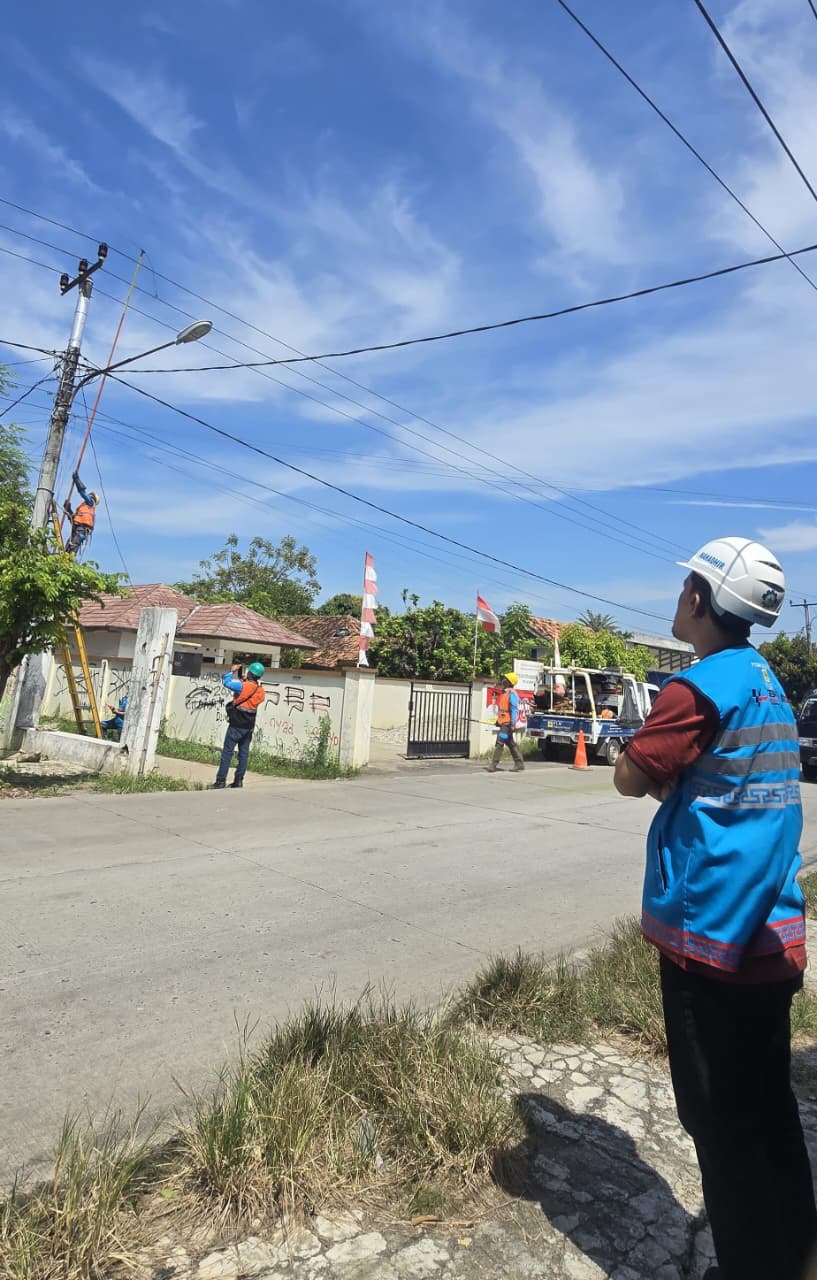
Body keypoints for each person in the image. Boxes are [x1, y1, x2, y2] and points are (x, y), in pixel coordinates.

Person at [613, 537, 816, 1280]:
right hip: (770, 931)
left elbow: (629, 777)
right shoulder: (765, 680)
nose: (676, 601)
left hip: (710, 943)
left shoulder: (694, 688)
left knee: (718, 1124)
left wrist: (649, 776)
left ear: (698, 600)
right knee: (767, 1113)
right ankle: (794, 1256)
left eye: (683, 589)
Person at [213, 661, 266, 789]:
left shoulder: (242, 686)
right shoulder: (260, 691)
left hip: (236, 725)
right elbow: (249, 692)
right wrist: (246, 681)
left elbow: (226, 683)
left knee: (227, 753)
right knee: (243, 754)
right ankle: (238, 781)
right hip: (248, 727)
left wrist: (231, 671)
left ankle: (220, 781)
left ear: (250, 673)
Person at [487, 672, 525, 772]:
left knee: (500, 742)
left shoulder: (511, 694)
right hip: (504, 722)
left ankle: (493, 765)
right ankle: (519, 763)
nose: (503, 680)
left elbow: (514, 710)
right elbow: (503, 710)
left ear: (509, 682)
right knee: (510, 743)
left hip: (508, 724)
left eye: (505, 679)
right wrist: (498, 721)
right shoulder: (504, 693)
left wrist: (512, 724)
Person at [63, 471, 98, 556]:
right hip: (77, 529)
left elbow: (83, 493)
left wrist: (77, 480)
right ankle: (64, 562)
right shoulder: (83, 508)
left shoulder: (90, 503)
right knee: (67, 548)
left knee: (73, 546)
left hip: (82, 530)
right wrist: (68, 509)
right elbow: (73, 519)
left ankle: (70, 560)